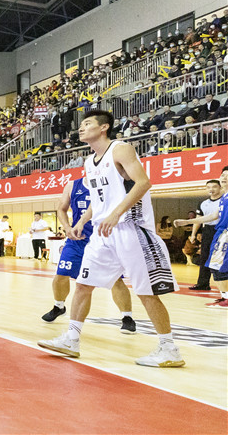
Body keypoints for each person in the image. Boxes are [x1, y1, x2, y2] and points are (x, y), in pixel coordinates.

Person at [38, 110, 183, 367]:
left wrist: (116, 213)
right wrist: (81, 222)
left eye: (87, 123)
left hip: (130, 229)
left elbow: (143, 183)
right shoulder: (89, 162)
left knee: (146, 292)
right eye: (81, 125)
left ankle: (169, 349)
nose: (81, 128)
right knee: (83, 284)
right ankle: (72, 339)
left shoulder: (120, 149)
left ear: (104, 127)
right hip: (102, 233)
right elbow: (97, 200)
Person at [42, 178, 136, 332]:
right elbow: (61, 209)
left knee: (116, 280)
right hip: (77, 240)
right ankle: (59, 306)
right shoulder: (73, 185)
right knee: (61, 274)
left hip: (104, 239)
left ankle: (127, 317)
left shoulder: (109, 182)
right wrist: (67, 227)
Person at [174, 169, 228, 307]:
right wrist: (187, 222)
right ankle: (225, 297)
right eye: (223, 175)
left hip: (225, 234)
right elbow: (212, 216)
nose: (224, 177)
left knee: (220, 267)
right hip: (218, 233)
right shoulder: (224, 198)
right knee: (214, 266)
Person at [189, 178, 224, 291]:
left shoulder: (224, 201)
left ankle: (224, 286)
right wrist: (193, 234)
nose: (211, 189)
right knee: (204, 257)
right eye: (208, 187)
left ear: (220, 187)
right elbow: (198, 220)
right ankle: (203, 284)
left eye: (214, 187)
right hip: (207, 230)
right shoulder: (203, 203)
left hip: (222, 230)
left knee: (222, 257)